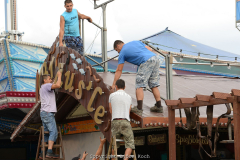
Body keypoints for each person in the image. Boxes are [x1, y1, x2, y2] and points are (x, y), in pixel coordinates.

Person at [111, 40, 163, 116]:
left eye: (117, 50)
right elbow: (149, 49)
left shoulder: (122, 53)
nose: (118, 52)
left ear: (118, 46)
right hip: (155, 58)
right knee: (153, 84)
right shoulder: (135, 42)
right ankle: (159, 106)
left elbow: (119, 70)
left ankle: (139, 108)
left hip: (145, 61)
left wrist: (113, 84)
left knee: (139, 84)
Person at [109, 79, 135, 160]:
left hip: (115, 121)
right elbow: (129, 111)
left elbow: (110, 110)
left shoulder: (112, 95)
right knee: (130, 143)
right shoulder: (129, 97)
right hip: (125, 120)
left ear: (116, 86)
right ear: (125, 87)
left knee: (114, 144)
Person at [39, 71, 62, 159]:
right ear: (45, 80)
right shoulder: (47, 85)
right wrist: (59, 76)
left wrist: (54, 79)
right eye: (49, 79)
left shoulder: (42, 87)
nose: (51, 80)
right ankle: (49, 152)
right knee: (54, 132)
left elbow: (54, 84)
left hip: (44, 112)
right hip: (48, 113)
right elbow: (58, 85)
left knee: (46, 134)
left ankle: (42, 153)